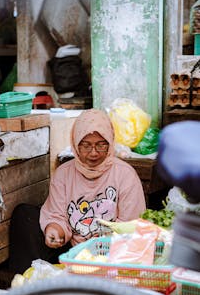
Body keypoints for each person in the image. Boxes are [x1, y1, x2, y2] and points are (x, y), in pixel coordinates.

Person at [8, 109, 146, 273]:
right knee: (24, 215)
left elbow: (130, 227)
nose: (93, 152)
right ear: (75, 143)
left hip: (110, 255)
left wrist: (98, 248)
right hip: (70, 252)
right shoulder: (64, 174)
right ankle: (30, 287)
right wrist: (55, 229)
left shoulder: (125, 175)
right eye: (86, 145)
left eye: (101, 145)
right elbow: (57, 214)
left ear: (110, 143)